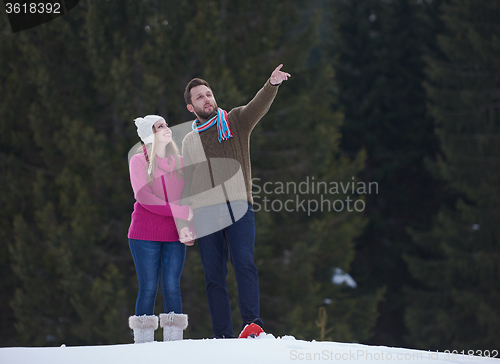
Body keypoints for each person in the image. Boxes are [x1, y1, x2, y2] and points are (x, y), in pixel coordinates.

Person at [180, 65, 290, 338]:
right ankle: (222, 336)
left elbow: (257, 106)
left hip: (239, 207)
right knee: (214, 277)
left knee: (244, 263)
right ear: (191, 108)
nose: (207, 99)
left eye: (208, 94)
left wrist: (271, 84)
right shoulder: (189, 141)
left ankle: (253, 325)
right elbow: (187, 184)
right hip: (205, 213)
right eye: (199, 97)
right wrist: (185, 221)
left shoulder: (235, 121)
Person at [127, 115, 195, 343]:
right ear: (149, 135)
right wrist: (178, 212)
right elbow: (144, 196)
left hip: (174, 235)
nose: (167, 128)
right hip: (144, 234)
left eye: (166, 124)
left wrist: (187, 227)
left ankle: (174, 344)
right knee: (148, 287)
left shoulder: (181, 161)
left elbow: (187, 199)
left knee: (172, 286)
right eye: (160, 127)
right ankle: (143, 344)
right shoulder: (139, 160)